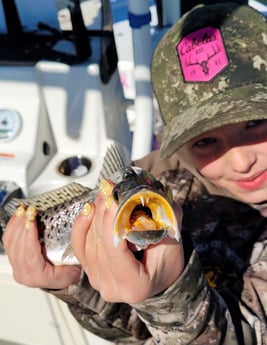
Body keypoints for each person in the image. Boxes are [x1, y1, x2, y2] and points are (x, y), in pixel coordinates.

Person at [2, 2, 267, 344]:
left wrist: (167, 296)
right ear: (179, 145)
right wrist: (71, 281)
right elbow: (141, 332)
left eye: (256, 122)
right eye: (207, 141)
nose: (241, 161)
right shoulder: (157, 184)